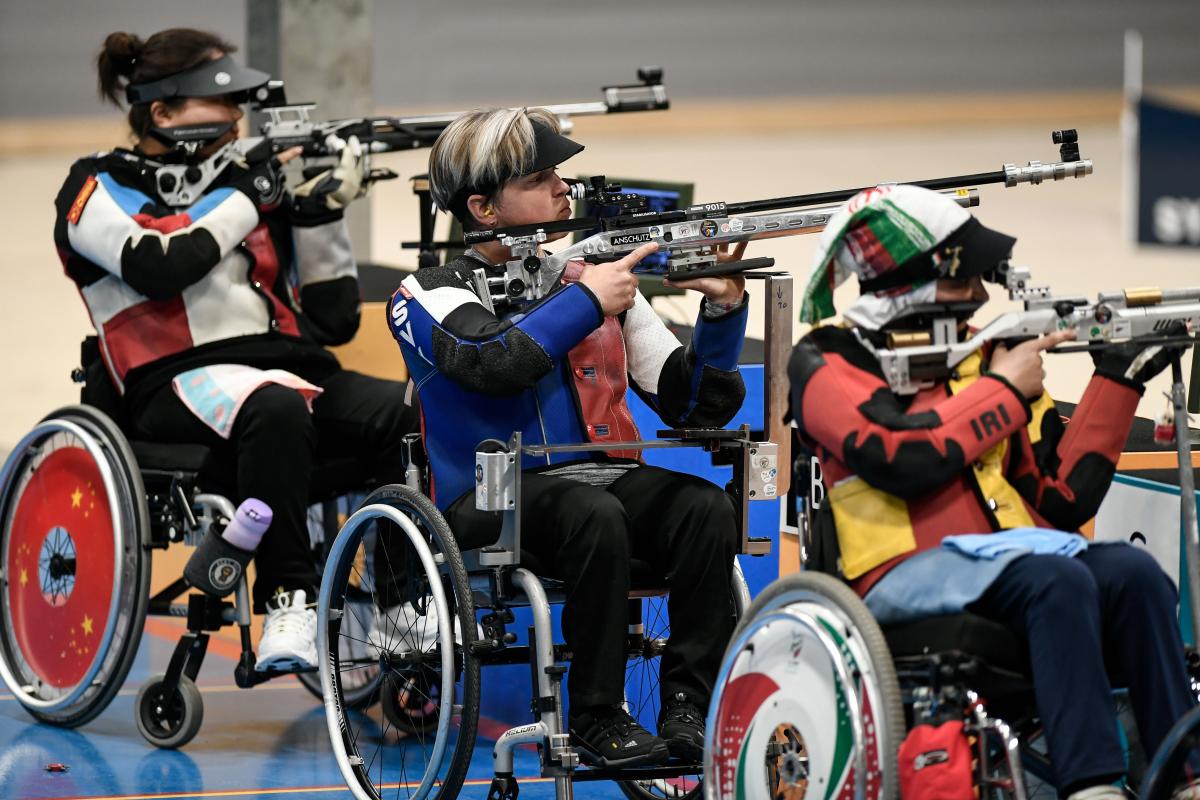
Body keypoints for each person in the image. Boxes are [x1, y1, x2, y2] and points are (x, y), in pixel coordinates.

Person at [789, 183, 1197, 799]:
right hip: (893, 572)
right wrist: (1003, 389)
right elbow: (898, 456)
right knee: (1057, 582)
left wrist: (1116, 377)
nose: (979, 295)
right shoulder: (826, 359)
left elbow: (1060, 499)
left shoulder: (980, 353)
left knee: (1135, 574)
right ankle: (1093, 786)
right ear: (917, 278)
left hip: (1006, 560)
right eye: (964, 281)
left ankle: (1180, 776)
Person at [387, 107, 749, 766]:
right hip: (485, 503)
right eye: (541, 177)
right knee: (593, 511)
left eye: (561, 174)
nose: (564, 189)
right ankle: (597, 714)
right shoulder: (425, 292)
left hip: (593, 485)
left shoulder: (592, 281)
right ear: (483, 208)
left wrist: (721, 309)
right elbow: (490, 361)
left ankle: (688, 707)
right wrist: (588, 297)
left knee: (704, 508)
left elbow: (699, 405)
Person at [54, 28, 415, 672]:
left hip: (288, 367)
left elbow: (332, 321)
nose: (236, 118)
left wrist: (321, 211)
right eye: (218, 103)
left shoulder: (244, 179)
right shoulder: (95, 185)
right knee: (273, 407)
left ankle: (399, 610)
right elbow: (159, 264)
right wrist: (251, 193)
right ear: (161, 112)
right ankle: (289, 600)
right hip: (172, 380)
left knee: (410, 411)